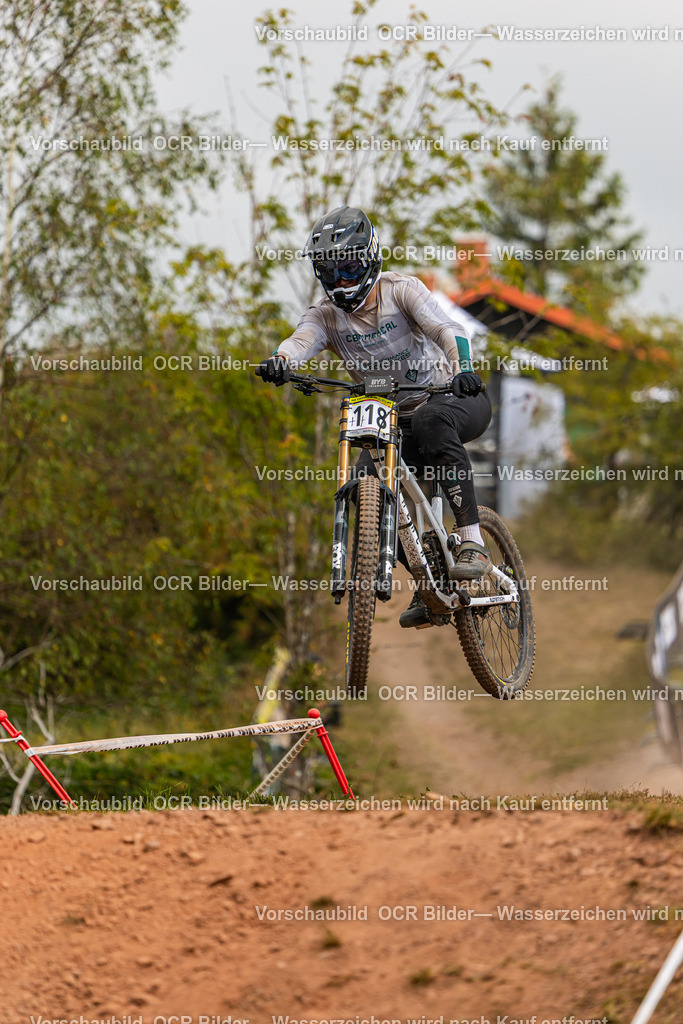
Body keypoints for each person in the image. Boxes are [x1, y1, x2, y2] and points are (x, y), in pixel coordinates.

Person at [259, 205, 492, 629]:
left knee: (430, 422)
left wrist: (463, 370)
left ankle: (473, 543)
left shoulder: (401, 290)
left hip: (454, 396)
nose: (342, 282)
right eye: (330, 275)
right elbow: (300, 340)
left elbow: (446, 329)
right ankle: (431, 582)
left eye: (350, 269)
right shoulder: (326, 317)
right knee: (364, 486)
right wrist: (280, 360)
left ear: (370, 258)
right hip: (394, 419)